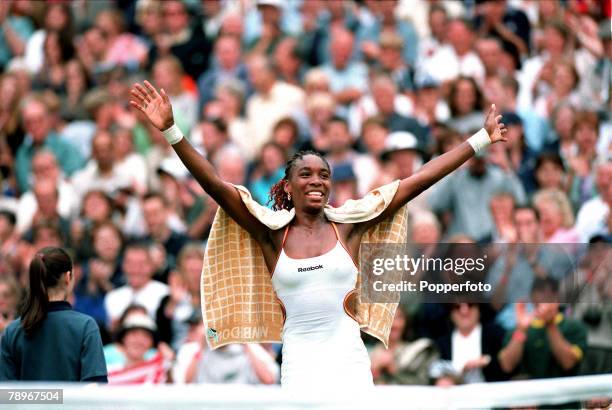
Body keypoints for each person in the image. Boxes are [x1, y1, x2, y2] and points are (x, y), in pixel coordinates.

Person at [128, 80, 507, 389]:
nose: (316, 180)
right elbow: (215, 185)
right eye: (306, 174)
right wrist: (171, 131)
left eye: (323, 174)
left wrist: (480, 140)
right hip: (299, 366)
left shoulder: (351, 224)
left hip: (350, 362)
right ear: (288, 187)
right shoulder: (271, 234)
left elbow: (418, 180)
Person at [0, 247, 107, 382]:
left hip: (26, 403)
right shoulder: (85, 326)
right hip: (71, 404)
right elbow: (95, 388)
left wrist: (47, 397)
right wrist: (57, 397)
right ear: (68, 277)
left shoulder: (13, 331)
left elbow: (6, 393)